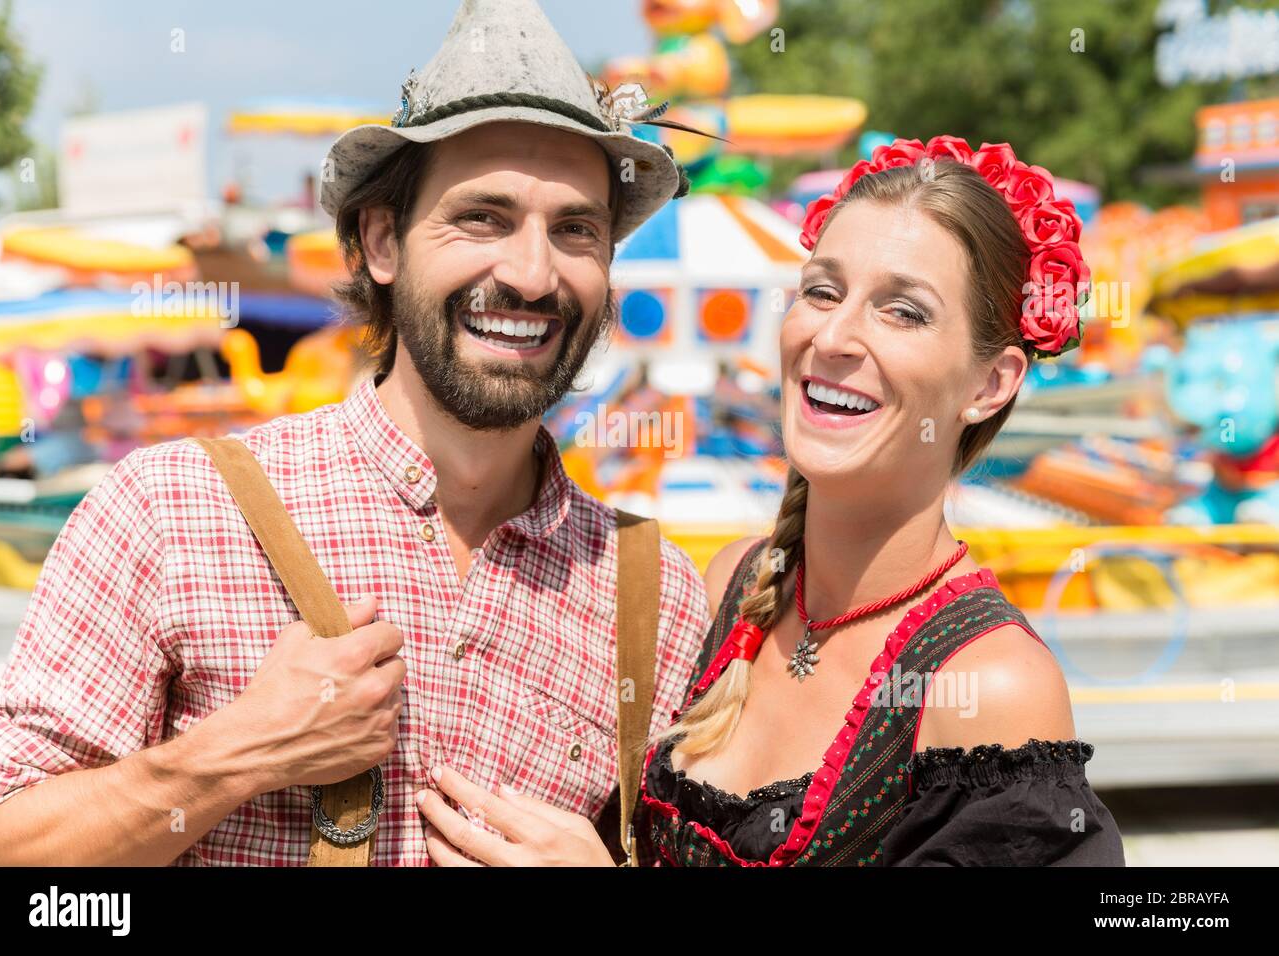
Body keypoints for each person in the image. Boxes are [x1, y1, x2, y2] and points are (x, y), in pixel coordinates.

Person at [0, 0, 709, 865]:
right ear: (381, 242)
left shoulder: (651, 594)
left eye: (577, 230)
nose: (531, 272)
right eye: (483, 217)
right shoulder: (170, 510)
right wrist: (230, 758)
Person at [415, 135, 1126, 866]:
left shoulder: (989, 686)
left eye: (904, 311)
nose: (834, 336)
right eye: (821, 291)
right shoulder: (733, 586)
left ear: (990, 384)